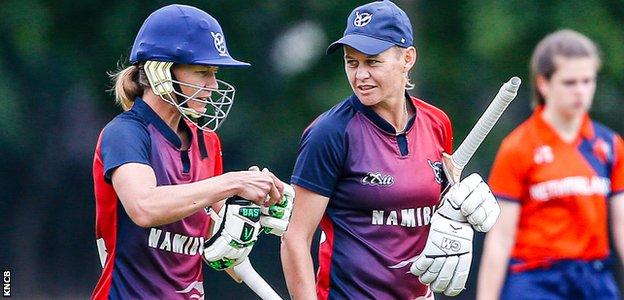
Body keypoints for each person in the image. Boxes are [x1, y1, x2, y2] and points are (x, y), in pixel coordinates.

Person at [281, 1, 500, 299]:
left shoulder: (437, 123)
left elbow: (436, 209)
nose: (360, 75)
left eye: (372, 62)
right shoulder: (329, 133)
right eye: (351, 62)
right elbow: (295, 237)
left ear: (407, 58)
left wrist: (460, 214)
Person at [91, 4, 292, 299]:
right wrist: (233, 182)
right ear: (160, 71)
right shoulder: (125, 134)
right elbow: (144, 207)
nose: (212, 85)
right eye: (202, 72)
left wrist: (250, 210)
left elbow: (219, 249)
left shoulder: (207, 143)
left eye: (214, 73)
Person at [477, 29, 624, 300]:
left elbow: (622, 225)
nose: (580, 91)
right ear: (543, 83)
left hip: (594, 278)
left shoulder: (610, 145)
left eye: (587, 81)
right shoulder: (518, 146)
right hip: (536, 280)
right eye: (570, 82)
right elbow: (499, 238)